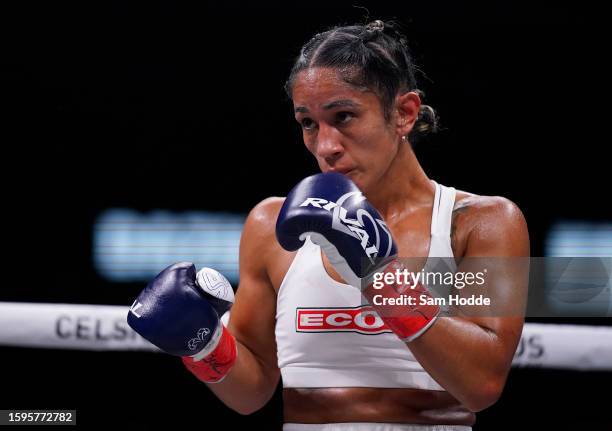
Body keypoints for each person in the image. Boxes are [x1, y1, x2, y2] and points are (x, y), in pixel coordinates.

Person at [128, 19, 529, 430]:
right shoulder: (270, 227)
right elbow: (250, 394)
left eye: (344, 116)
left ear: (404, 113)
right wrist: (203, 346)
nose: (326, 146)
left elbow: (482, 384)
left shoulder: (479, 224)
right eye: (308, 123)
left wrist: (379, 275)